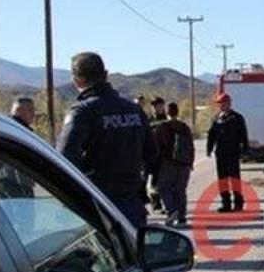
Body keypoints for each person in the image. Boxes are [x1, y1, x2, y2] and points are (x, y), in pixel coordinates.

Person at [57, 51, 158, 228]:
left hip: (98, 204)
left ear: (77, 81)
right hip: (132, 202)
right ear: (105, 75)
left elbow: (64, 158)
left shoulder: (82, 112)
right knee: (133, 252)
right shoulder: (134, 110)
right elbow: (151, 153)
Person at [206, 92, 249, 212]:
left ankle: (238, 203)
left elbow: (243, 135)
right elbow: (211, 136)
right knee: (223, 180)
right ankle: (226, 204)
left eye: (223, 103)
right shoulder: (216, 119)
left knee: (235, 179)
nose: (221, 106)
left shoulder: (237, 118)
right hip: (220, 154)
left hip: (233, 153)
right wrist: (209, 149)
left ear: (229, 104)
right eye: (219, 104)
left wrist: (245, 150)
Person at [154, 102, 195, 226]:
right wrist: (190, 162)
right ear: (178, 112)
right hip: (184, 163)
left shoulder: (161, 128)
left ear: (167, 112)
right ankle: (182, 216)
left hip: (168, 163)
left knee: (163, 188)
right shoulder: (185, 127)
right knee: (180, 190)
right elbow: (191, 146)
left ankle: (171, 210)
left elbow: (156, 147)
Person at [146, 96, 168, 212]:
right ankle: (156, 204)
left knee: (166, 182)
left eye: (159, 105)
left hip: (166, 155)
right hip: (154, 156)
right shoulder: (148, 120)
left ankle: (168, 204)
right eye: (154, 106)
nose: (156, 108)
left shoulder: (168, 120)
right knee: (154, 182)